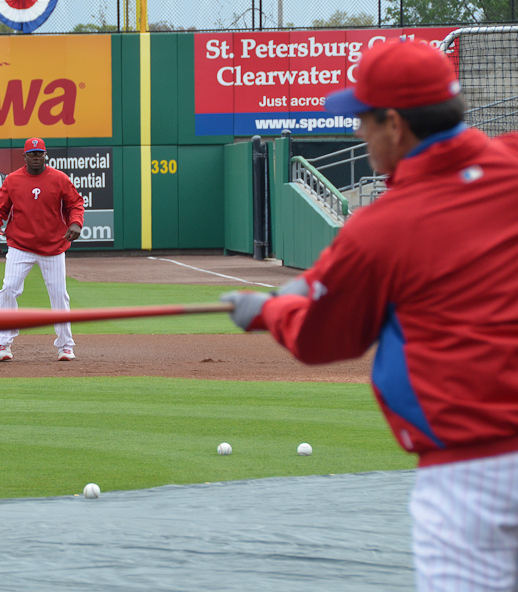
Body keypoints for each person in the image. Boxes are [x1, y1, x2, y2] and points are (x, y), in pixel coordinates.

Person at [222, 39, 518, 591]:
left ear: (396, 125)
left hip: (473, 477)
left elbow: (322, 339)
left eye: (363, 119)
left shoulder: (381, 229)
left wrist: (271, 312)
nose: (358, 131)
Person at [0, 137, 85, 362]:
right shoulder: (13, 180)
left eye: (40, 153)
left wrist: (76, 223)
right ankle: (4, 341)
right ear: (25, 156)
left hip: (53, 246)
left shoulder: (59, 179)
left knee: (59, 295)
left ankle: (65, 346)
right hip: (20, 245)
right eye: (32, 153)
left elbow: (75, 204)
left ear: (45, 155)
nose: (36, 157)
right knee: (9, 289)